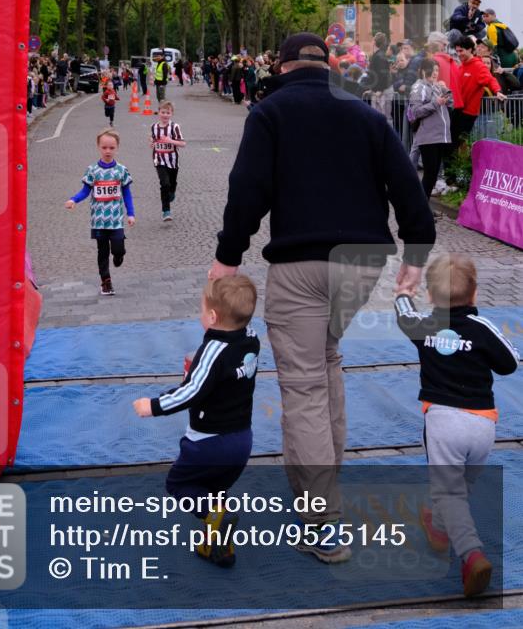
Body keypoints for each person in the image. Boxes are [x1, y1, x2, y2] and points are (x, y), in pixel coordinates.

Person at [209, 32, 435, 563]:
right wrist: (416, 254)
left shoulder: (269, 113)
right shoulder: (365, 115)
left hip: (300, 264)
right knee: (328, 359)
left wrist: (228, 255)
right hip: (363, 263)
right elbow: (408, 184)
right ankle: (326, 478)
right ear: (329, 66)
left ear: (283, 67)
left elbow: (247, 190)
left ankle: (322, 522)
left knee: (305, 386)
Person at [395, 254, 519, 598]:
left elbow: (404, 317)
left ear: (431, 297)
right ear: (476, 293)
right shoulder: (482, 329)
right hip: (482, 426)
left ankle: (472, 554)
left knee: (449, 491)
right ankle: (437, 522)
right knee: (459, 485)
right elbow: (509, 363)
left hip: (443, 422)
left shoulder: (424, 324)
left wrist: (403, 293)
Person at [133, 275, 260, 568]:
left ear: (213, 317)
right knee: (216, 491)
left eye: (202, 310)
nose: (200, 315)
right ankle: (218, 549)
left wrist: (152, 406)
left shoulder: (213, 349)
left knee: (179, 485)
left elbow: (191, 391)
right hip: (241, 439)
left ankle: (217, 517)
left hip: (208, 441)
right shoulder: (251, 338)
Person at [65, 129, 135, 296]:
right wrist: (74, 200)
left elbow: (127, 193)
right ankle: (106, 281)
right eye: (104, 147)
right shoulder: (92, 170)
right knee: (102, 251)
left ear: (117, 147)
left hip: (116, 220)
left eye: (111, 147)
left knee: (118, 248)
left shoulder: (121, 170)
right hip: (98, 220)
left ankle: (118, 257)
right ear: (98, 147)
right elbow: (85, 191)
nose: (108, 151)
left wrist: (130, 213)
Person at [407, 59, 453, 201]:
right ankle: (421, 207)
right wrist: (435, 103)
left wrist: (446, 91)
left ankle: (424, 207)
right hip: (428, 137)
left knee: (432, 175)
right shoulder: (418, 87)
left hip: (440, 136)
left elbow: (452, 103)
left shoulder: (437, 86)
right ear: (423, 70)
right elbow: (416, 112)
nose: (435, 73)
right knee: (430, 174)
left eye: (437, 70)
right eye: (432, 70)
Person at [453, 36, 506, 140]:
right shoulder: (461, 66)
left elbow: (491, 80)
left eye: (461, 51)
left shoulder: (479, 66)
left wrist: (498, 92)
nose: (459, 54)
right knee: (453, 142)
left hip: (468, 113)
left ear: (469, 50)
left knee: (458, 142)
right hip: (458, 109)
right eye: (457, 51)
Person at [150, 101, 186, 222]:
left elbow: (182, 143)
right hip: (159, 160)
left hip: (173, 161)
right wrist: (152, 143)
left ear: (172, 114)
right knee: (164, 184)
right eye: (163, 112)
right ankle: (166, 211)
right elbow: (153, 140)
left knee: (171, 183)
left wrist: (171, 141)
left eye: (168, 113)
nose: (165, 115)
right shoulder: (154, 127)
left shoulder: (174, 127)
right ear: (158, 112)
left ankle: (172, 192)